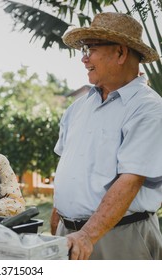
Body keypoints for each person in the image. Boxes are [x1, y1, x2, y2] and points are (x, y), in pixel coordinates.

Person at [51, 12, 162, 260]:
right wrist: (58, 219)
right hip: (70, 236)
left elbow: (130, 179)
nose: (84, 58)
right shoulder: (77, 107)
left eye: (91, 48)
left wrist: (87, 235)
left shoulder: (148, 108)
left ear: (121, 53)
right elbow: (67, 166)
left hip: (121, 239)